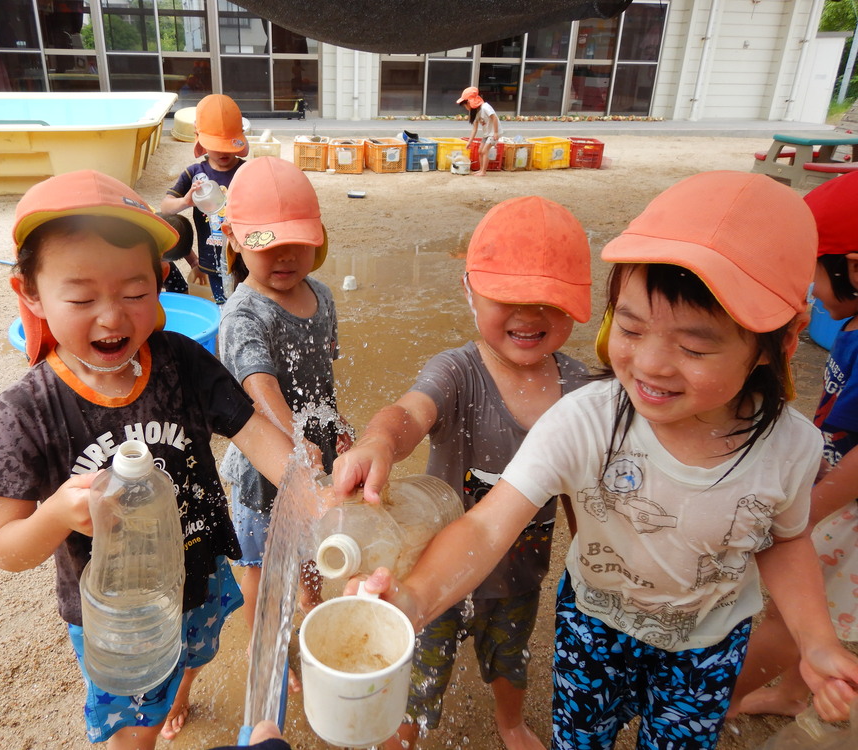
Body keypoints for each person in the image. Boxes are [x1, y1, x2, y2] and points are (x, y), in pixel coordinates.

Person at [352, 172, 858, 749]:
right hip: (594, 629)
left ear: (780, 343)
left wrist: (815, 638)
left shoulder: (791, 447)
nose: (651, 364)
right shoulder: (584, 418)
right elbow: (488, 524)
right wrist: (414, 600)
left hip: (708, 646)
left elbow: (786, 539)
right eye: (631, 327)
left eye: (693, 347)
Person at [0, 169, 303, 750]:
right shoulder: (25, 413)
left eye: (136, 292)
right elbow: (7, 550)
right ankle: (153, 712)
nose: (114, 317)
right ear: (32, 294)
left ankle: (183, 690)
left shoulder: (183, 364)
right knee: (133, 733)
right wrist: (58, 515)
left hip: (197, 572)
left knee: (198, 649)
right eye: (82, 297)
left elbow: (257, 435)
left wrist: (315, 492)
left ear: (161, 283)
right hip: (122, 619)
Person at [333, 196, 592, 750]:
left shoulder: (580, 390)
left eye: (549, 299)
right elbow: (409, 413)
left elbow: (582, 491)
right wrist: (380, 439)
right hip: (436, 567)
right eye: (507, 297)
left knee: (510, 656)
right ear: (469, 290)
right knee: (420, 661)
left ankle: (510, 722)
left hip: (519, 574)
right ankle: (403, 730)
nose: (530, 314)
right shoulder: (457, 372)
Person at [728, 171, 858, 719]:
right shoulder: (851, 324)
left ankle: (719, 702)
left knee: (795, 612)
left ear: (851, 267)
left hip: (843, 502)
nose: (808, 287)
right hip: (834, 483)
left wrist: (805, 517)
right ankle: (788, 694)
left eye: (813, 270)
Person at [217, 156, 350, 681]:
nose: (284, 257)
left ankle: (310, 605)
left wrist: (334, 428)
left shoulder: (322, 297)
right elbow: (258, 385)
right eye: (265, 245)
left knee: (311, 547)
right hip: (263, 466)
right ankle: (265, 643)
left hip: (315, 453)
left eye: (297, 242)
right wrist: (293, 436)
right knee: (260, 566)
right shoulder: (244, 312)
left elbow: (323, 380)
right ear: (233, 239)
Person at [159, 93, 249, 304]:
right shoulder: (194, 173)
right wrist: (186, 202)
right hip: (211, 258)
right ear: (198, 136)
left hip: (243, 256)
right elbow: (165, 207)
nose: (222, 151)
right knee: (222, 304)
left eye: (228, 144)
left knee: (245, 302)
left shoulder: (246, 171)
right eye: (216, 144)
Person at [457, 86, 500, 177]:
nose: (465, 107)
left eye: (465, 104)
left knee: (484, 151)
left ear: (469, 102)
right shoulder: (476, 112)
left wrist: (496, 132)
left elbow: (494, 118)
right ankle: (481, 170)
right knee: (480, 151)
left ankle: (483, 172)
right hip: (487, 134)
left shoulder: (485, 107)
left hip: (493, 133)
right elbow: (474, 129)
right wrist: (469, 142)